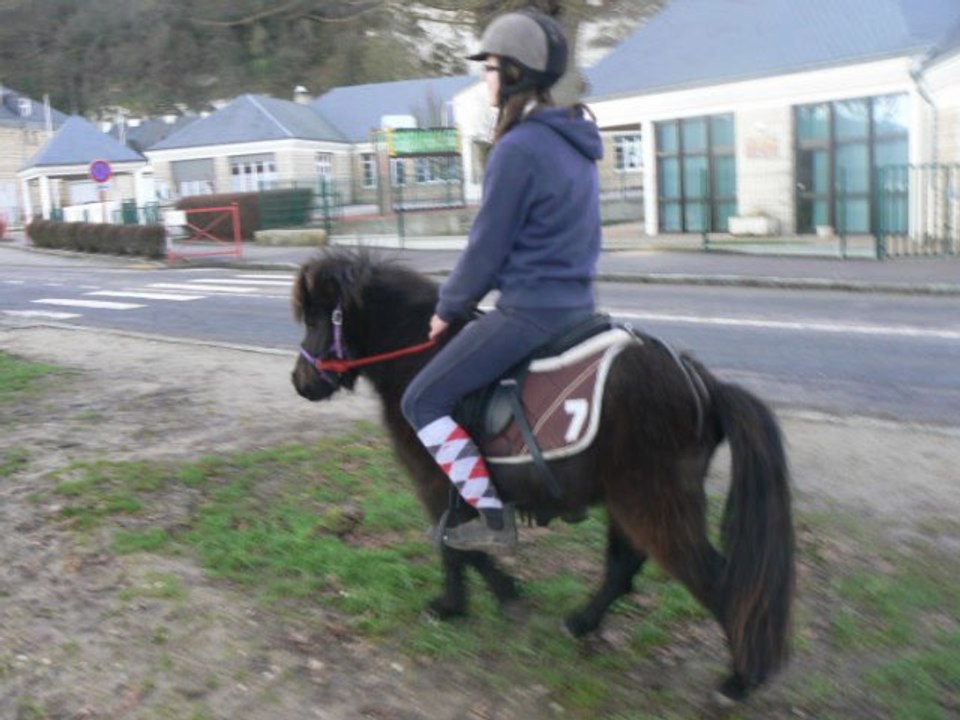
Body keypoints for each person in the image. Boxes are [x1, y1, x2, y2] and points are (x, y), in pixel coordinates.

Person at [400, 9, 603, 552]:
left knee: (422, 400)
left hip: (530, 311)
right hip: (582, 307)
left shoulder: (516, 148)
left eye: (490, 67)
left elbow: (486, 248)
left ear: (514, 73)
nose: (484, 77)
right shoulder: (577, 143)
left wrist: (448, 307)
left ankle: (490, 517)